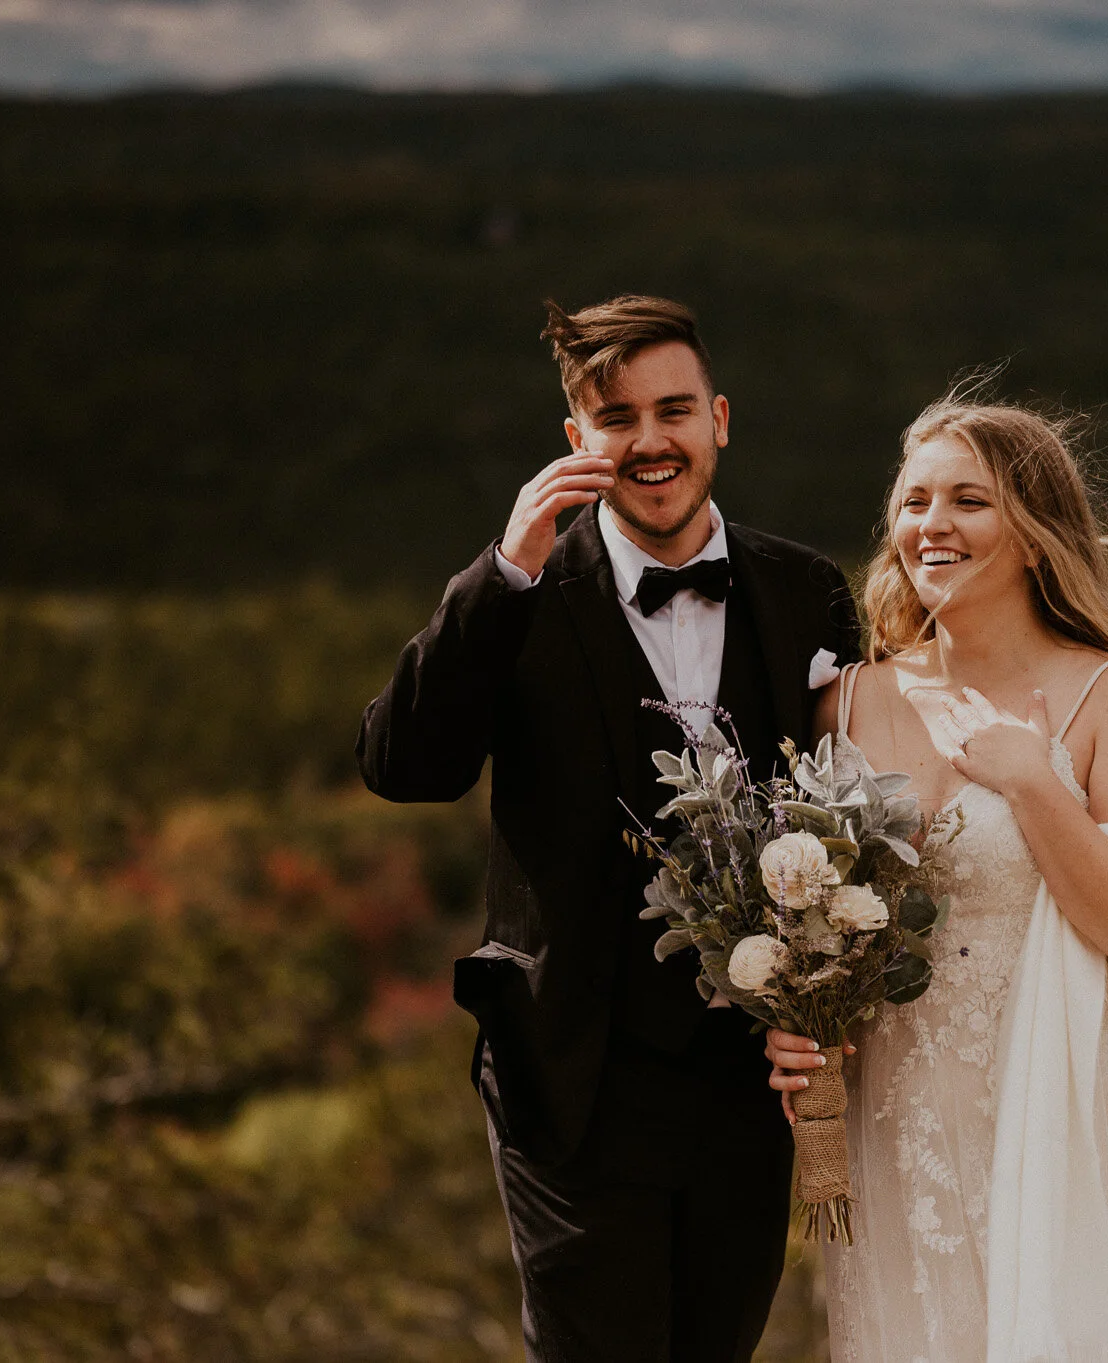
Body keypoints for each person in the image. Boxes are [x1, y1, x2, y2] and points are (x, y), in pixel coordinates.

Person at [357, 295, 859, 1363]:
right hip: (570, 1078)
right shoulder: (519, 595)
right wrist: (502, 570)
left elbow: (854, 808)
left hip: (747, 1077)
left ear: (718, 418)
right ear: (575, 441)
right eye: (614, 416)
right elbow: (405, 767)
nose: (648, 440)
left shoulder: (807, 592)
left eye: (671, 409)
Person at [766, 394, 1108, 1360]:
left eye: (968, 501)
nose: (932, 525)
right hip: (892, 1131)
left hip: (1050, 1121)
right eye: (914, 501)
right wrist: (795, 1016)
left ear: (1034, 534)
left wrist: (1034, 783)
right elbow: (812, 922)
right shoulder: (840, 702)